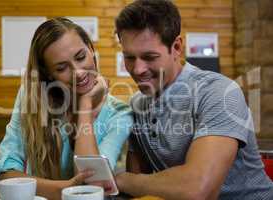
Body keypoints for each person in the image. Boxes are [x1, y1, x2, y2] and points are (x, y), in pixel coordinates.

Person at [114, 0, 273, 199]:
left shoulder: (219, 92)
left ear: (177, 47)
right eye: (129, 57)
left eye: (149, 57)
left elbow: (198, 189)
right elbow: (139, 184)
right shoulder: (138, 104)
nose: (137, 69)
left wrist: (121, 179)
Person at [0, 17, 133, 200]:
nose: (79, 73)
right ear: (49, 75)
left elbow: (93, 186)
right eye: (61, 68)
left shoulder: (119, 113)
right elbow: (5, 173)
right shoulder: (31, 97)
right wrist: (65, 189)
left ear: (91, 50)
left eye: (81, 57)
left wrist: (85, 106)